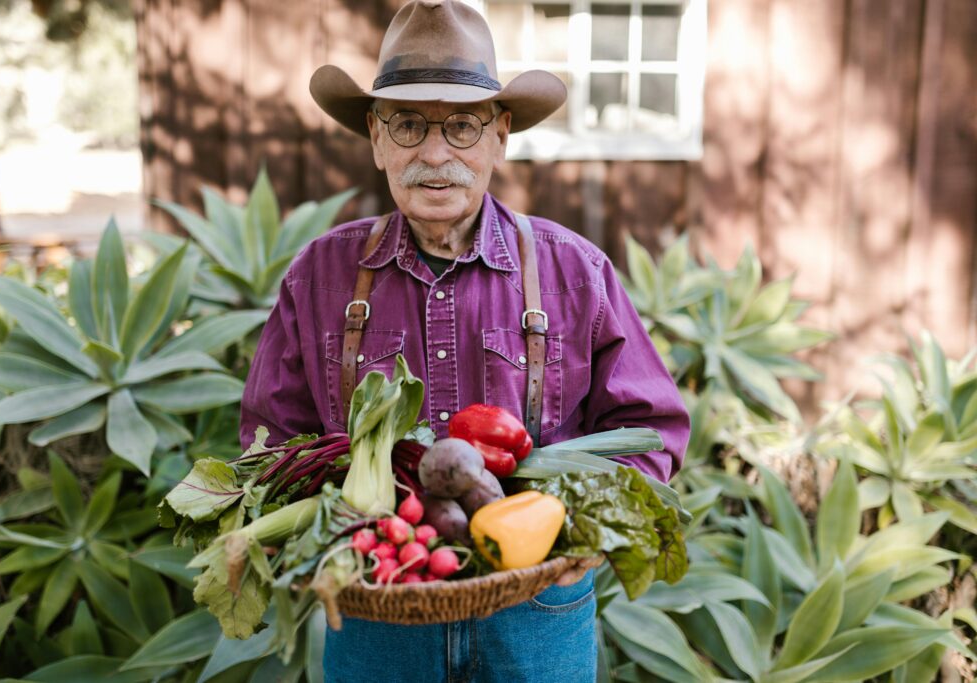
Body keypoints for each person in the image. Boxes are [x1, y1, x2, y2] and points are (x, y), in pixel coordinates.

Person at [240, 0, 690, 680]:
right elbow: (272, 443)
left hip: (536, 616)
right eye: (409, 124)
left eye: (462, 126)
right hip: (377, 614)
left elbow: (652, 432)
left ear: (500, 135)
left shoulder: (576, 272)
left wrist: (563, 524)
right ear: (376, 137)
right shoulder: (320, 276)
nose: (435, 153)